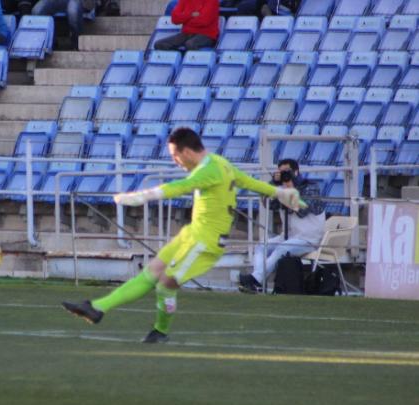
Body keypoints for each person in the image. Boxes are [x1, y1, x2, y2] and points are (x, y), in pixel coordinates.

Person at [61, 128, 305, 343]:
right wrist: (278, 193)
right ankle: (98, 308)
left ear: (186, 152)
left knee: (166, 283)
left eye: (175, 156)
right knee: (152, 271)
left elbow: (180, 187)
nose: (175, 161)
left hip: (205, 242)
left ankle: (160, 330)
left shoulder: (209, 170)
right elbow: (248, 182)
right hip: (191, 235)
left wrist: (141, 196)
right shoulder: (221, 164)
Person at [239, 159, 325, 293]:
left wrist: (289, 188)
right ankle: (256, 282)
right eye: (281, 173)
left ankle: (255, 279)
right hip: (288, 236)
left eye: (287, 172)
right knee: (261, 246)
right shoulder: (281, 188)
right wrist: (273, 184)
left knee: (281, 248)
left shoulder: (311, 187)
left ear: (296, 172)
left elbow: (301, 210)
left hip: (309, 239)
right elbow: (270, 205)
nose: (284, 175)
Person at [155, 0, 219, 51]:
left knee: (190, 44)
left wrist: (184, 20)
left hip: (207, 35)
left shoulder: (211, 1)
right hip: (187, 33)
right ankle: (180, 59)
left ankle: (195, 65)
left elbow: (203, 21)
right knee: (159, 44)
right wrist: (190, 15)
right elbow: (175, 19)